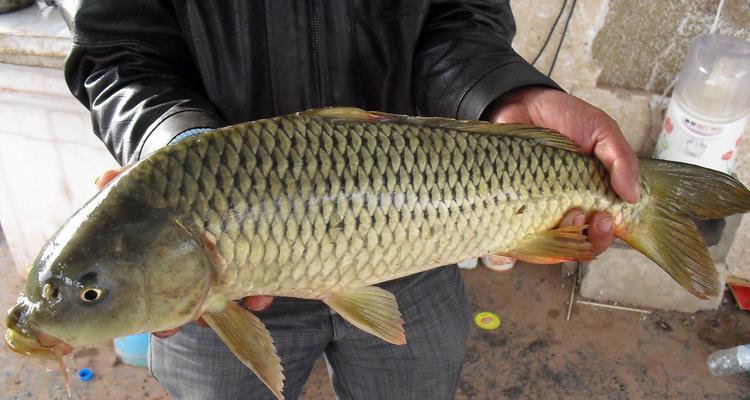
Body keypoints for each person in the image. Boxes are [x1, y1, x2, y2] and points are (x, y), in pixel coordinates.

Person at [64, 1, 639, 399]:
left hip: (418, 233)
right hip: (216, 266)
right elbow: (118, 52)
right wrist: (185, 153)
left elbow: (461, 17)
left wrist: (502, 94)